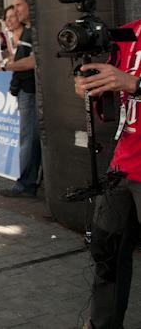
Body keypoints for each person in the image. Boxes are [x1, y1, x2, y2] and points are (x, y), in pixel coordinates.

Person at [74, 18, 141, 329]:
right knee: (106, 251)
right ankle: (102, 324)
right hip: (123, 163)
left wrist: (133, 83)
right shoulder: (130, 32)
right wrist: (91, 88)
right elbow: (113, 97)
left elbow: (130, 85)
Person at [0, 0, 39, 197]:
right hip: (24, 88)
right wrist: (2, 60)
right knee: (30, 138)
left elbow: (32, 61)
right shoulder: (28, 32)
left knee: (28, 137)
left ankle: (26, 185)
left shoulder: (33, 31)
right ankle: (30, 181)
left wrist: (2, 66)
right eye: (12, 10)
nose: (14, 13)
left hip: (30, 90)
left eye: (18, 7)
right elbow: (18, 56)